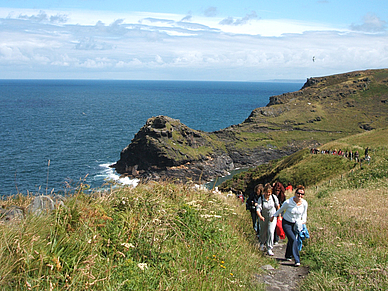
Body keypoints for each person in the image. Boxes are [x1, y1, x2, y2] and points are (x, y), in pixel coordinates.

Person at [270, 185, 308, 266]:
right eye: (298, 193)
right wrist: (274, 216)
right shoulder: (288, 202)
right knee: (293, 239)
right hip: (287, 222)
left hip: (296, 223)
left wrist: (303, 222)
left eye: (302, 194)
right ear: (295, 193)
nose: (300, 196)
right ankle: (297, 259)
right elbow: (281, 209)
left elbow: (304, 214)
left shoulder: (304, 203)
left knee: (292, 240)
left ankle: (288, 255)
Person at [257, 184, 280, 256]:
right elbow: (258, 209)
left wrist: (279, 216)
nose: (268, 194)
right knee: (263, 231)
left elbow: (277, 206)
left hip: (272, 217)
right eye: (266, 192)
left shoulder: (274, 197)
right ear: (264, 192)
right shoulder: (261, 198)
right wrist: (260, 216)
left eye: (269, 192)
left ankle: (269, 248)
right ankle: (262, 243)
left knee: (270, 231)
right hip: (263, 217)